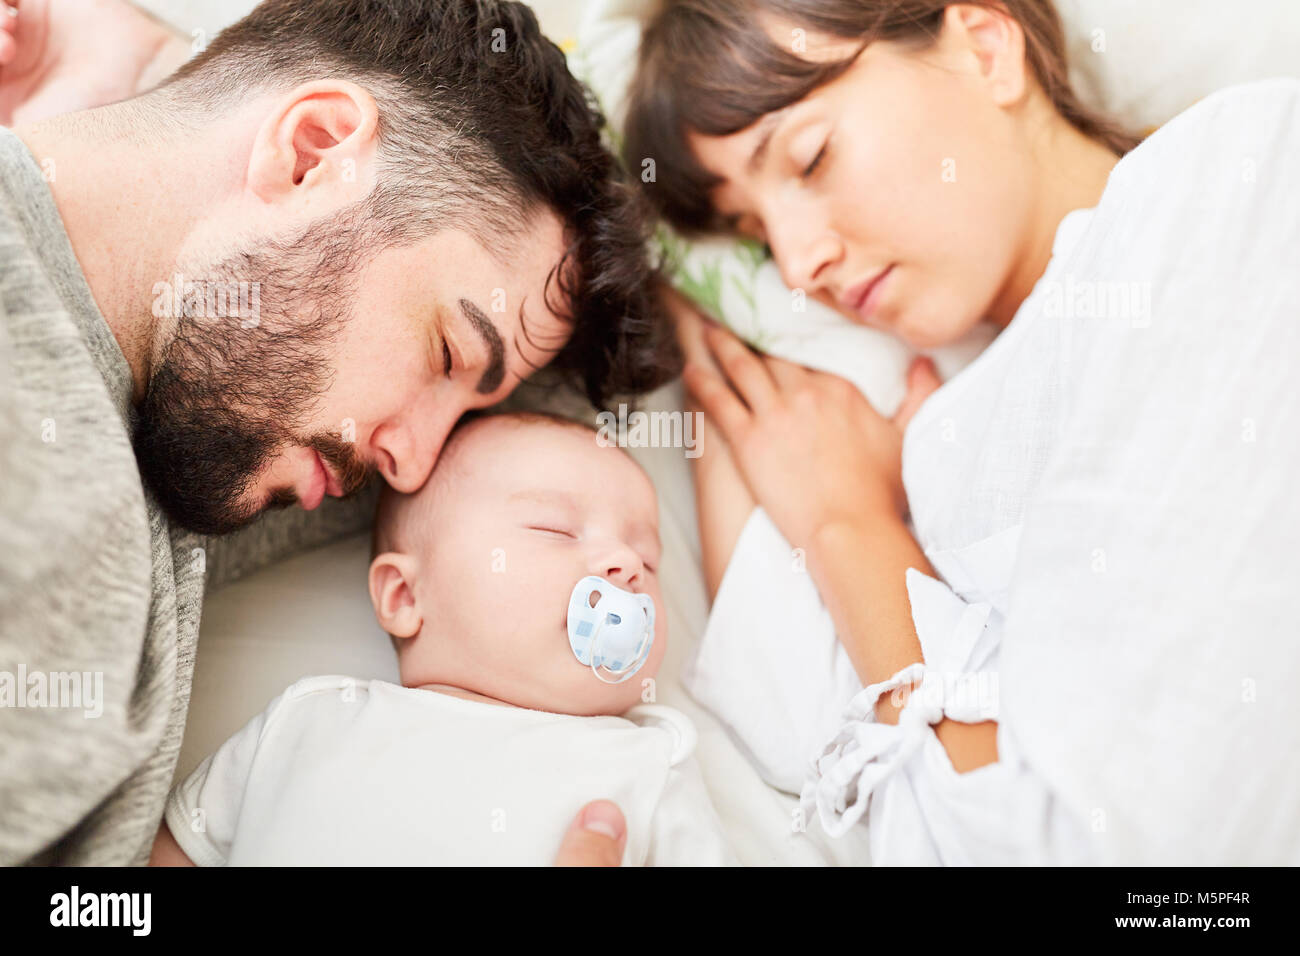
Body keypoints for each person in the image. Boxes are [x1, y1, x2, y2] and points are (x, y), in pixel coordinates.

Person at [0, 0, 675, 865]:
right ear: (315, 151)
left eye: (468, 411)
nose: (415, 465)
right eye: (445, 350)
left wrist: (146, 61)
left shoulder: (208, 421)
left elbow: (549, 457)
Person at [624, 0, 1300, 862]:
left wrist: (852, 529)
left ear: (984, 48)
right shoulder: (937, 429)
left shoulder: (1231, 181)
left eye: (810, 155)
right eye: (752, 233)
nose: (796, 265)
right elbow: (821, 750)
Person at [152, 413, 732, 866]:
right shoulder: (307, 721)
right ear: (406, 597)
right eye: (555, 530)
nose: (627, 563)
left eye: (649, 560)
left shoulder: (650, 766)